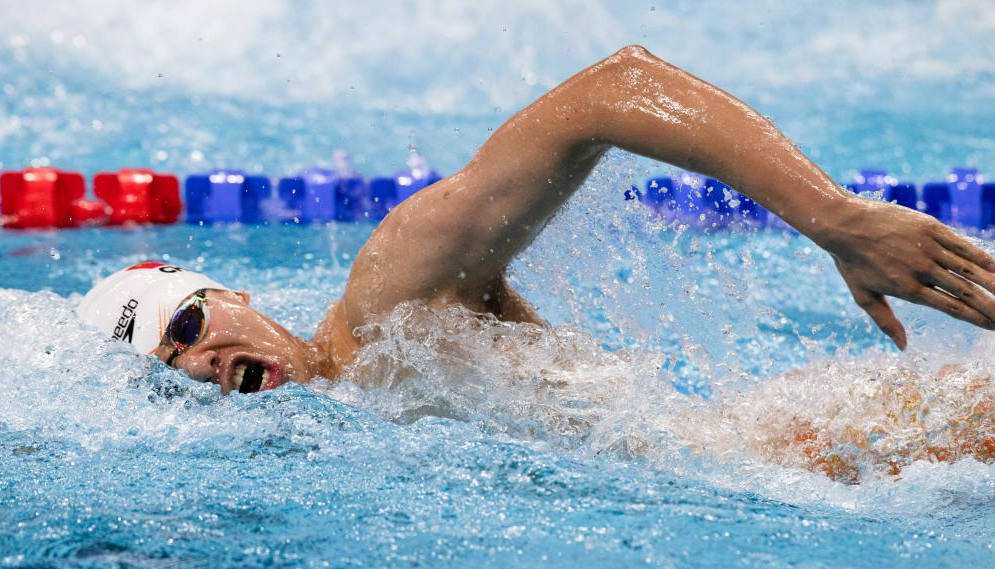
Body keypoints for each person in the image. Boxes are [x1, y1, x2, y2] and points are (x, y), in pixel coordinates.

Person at [78, 45, 995, 396]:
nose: (199, 360)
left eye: (189, 324)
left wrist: (831, 217)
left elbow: (607, 91)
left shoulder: (389, 303)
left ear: (233, 293)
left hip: (805, 458)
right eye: (172, 368)